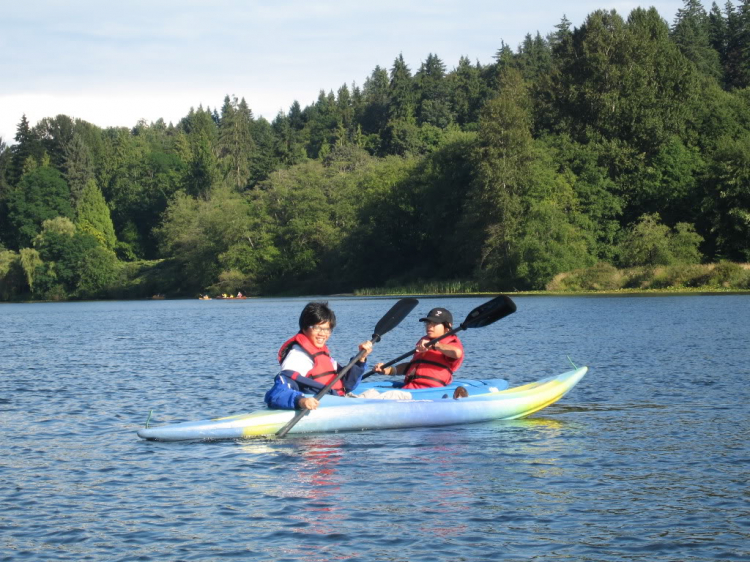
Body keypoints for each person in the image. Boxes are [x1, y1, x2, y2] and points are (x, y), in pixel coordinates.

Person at [264, 302, 373, 410]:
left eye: (327, 329)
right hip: (323, 407)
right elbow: (276, 393)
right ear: (304, 328)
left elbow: (348, 385)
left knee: (375, 393)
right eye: (317, 328)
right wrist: (301, 401)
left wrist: (360, 359)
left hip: (338, 402)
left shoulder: (321, 353)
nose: (322, 334)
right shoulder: (298, 357)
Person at [373, 307, 464, 389]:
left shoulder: (451, 342)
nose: (429, 326)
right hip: (411, 388)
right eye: (428, 323)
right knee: (370, 393)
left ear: (447, 327)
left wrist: (434, 345)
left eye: (435, 323)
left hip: (429, 391)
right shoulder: (424, 341)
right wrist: (388, 370)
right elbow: (411, 367)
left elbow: (457, 353)